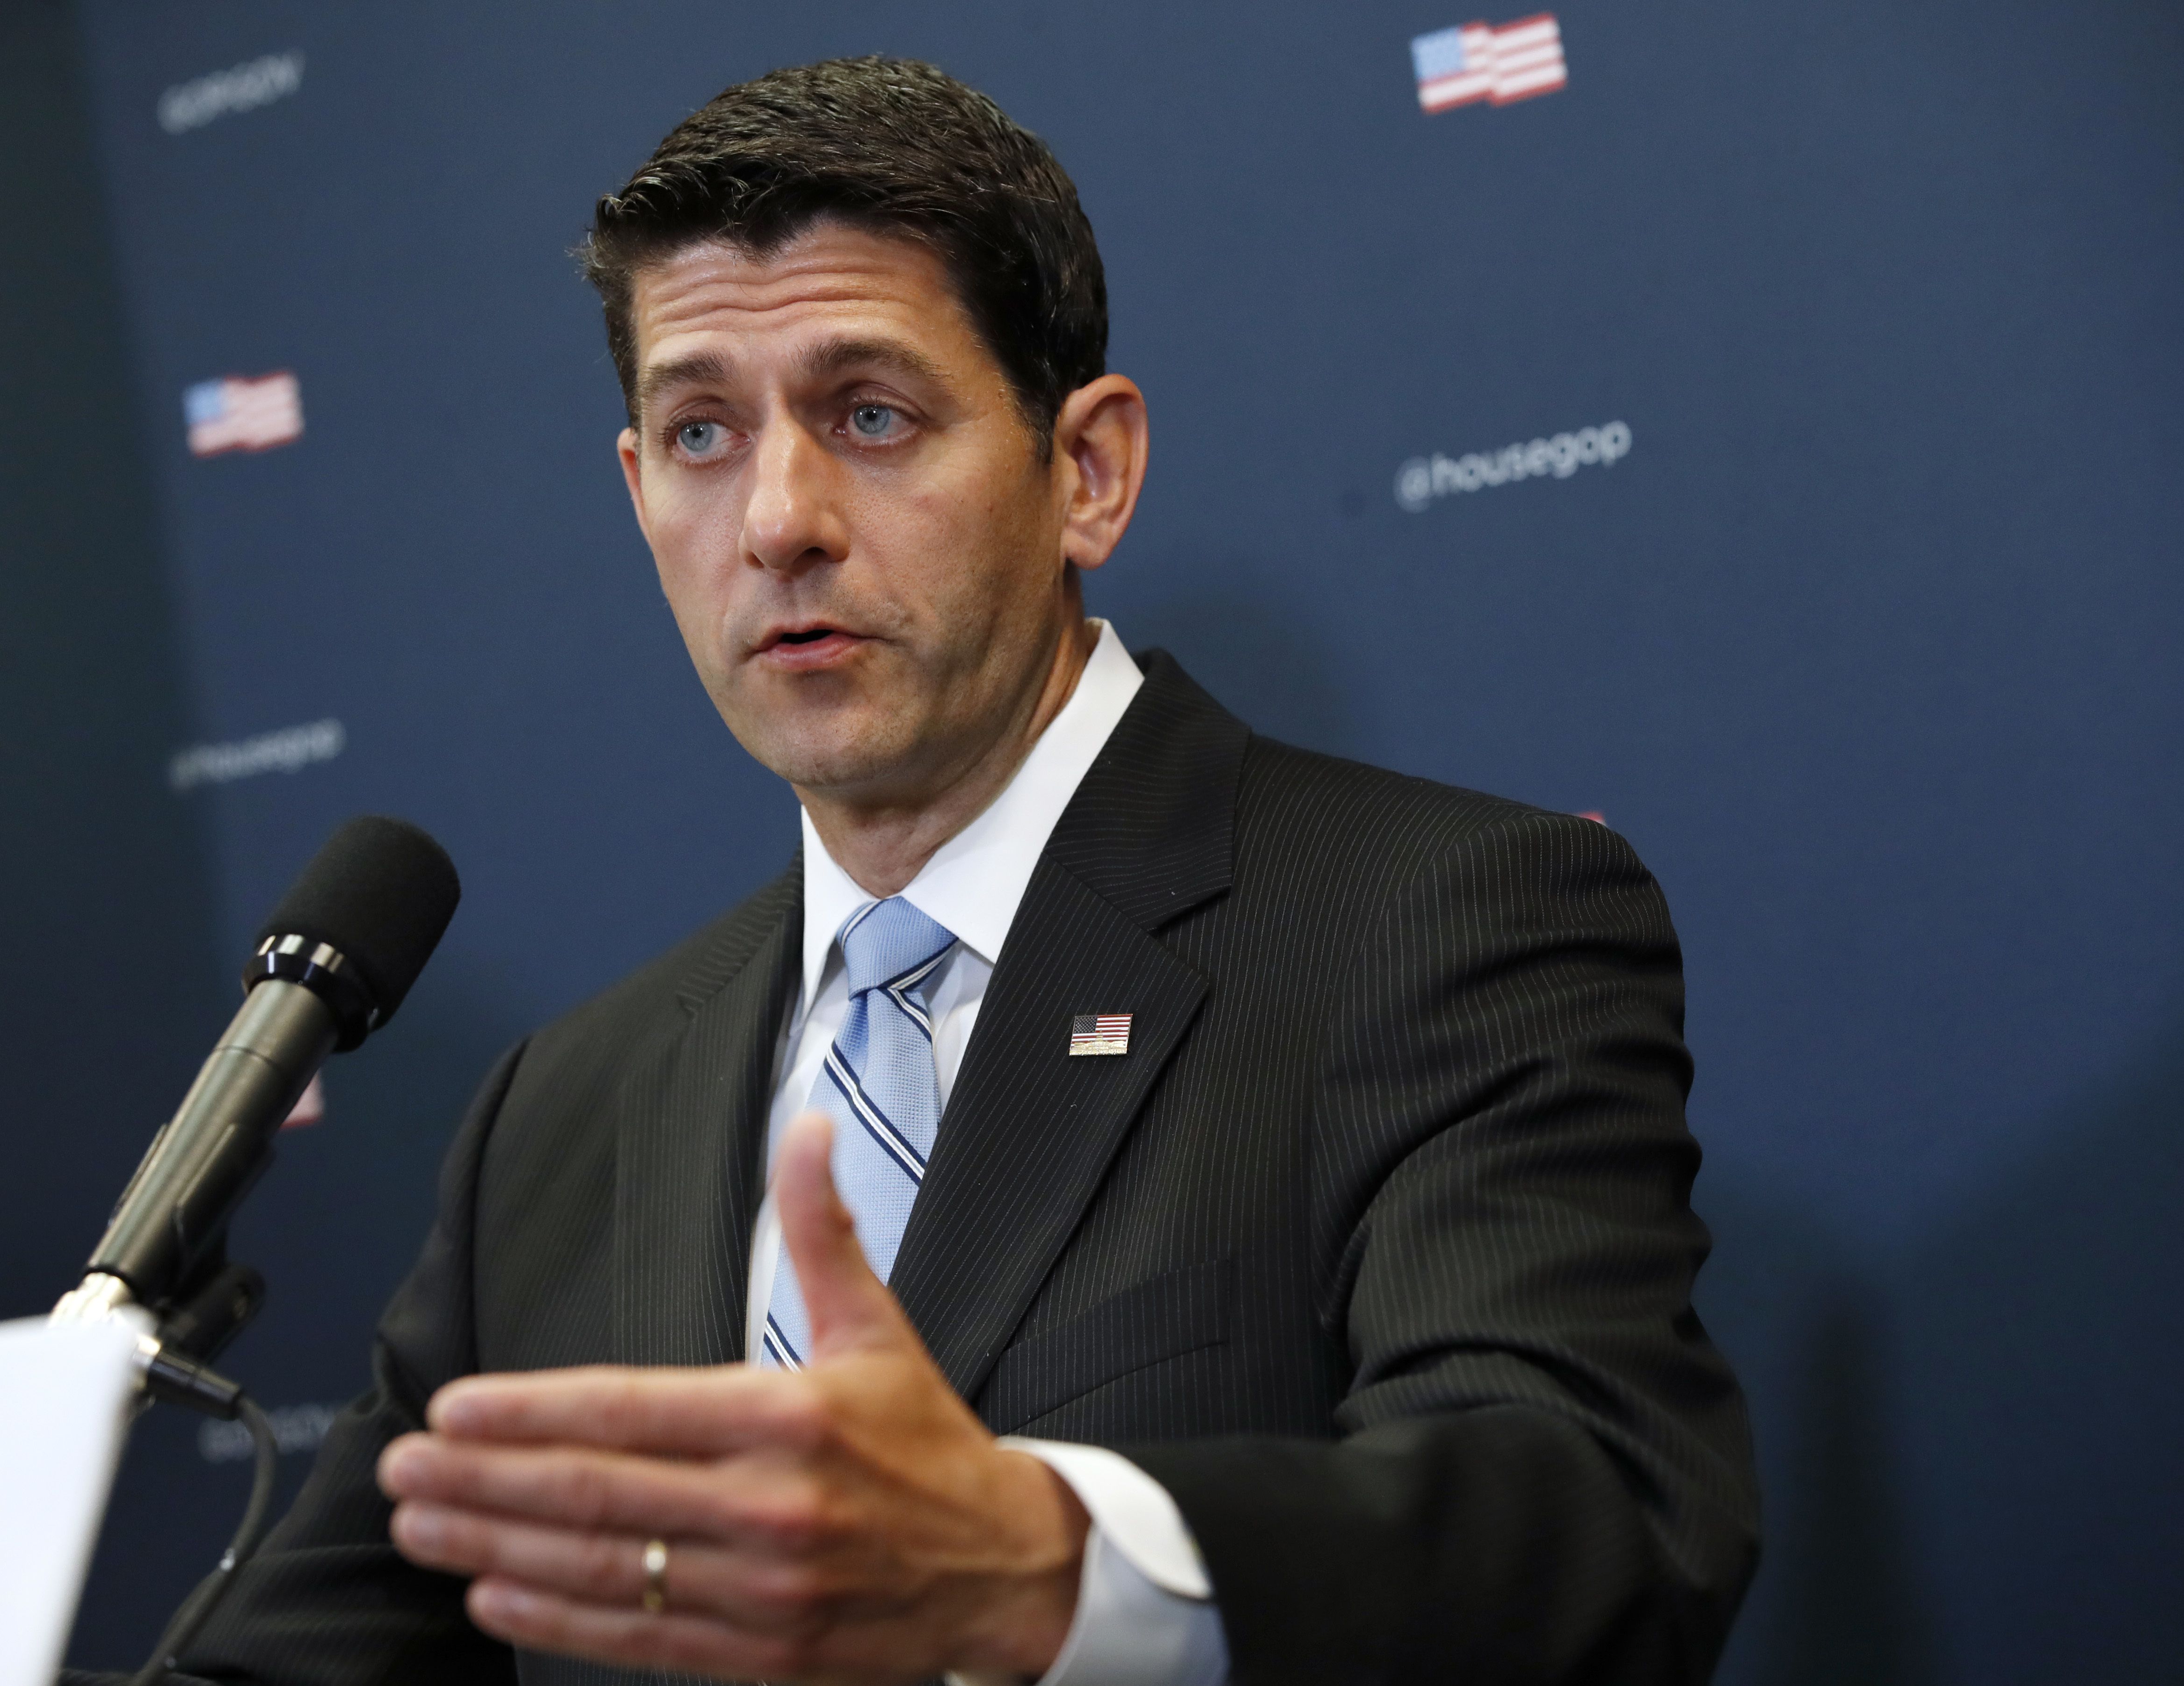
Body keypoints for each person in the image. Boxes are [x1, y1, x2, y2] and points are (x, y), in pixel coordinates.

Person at [96, 56, 1758, 1686]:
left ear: (1085, 470)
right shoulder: (568, 1109)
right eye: (699, 431)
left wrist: (1048, 1560)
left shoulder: (1446, 925)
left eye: (869, 414)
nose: (778, 518)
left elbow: (1595, 1523)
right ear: (636, 492)